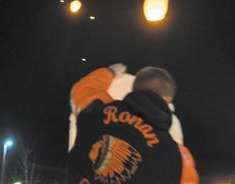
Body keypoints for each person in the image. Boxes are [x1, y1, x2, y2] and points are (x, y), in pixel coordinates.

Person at [67, 64, 199, 184]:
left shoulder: (98, 109)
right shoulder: (178, 158)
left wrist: (110, 71)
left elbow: (83, 88)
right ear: (167, 100)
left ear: (133, 89)